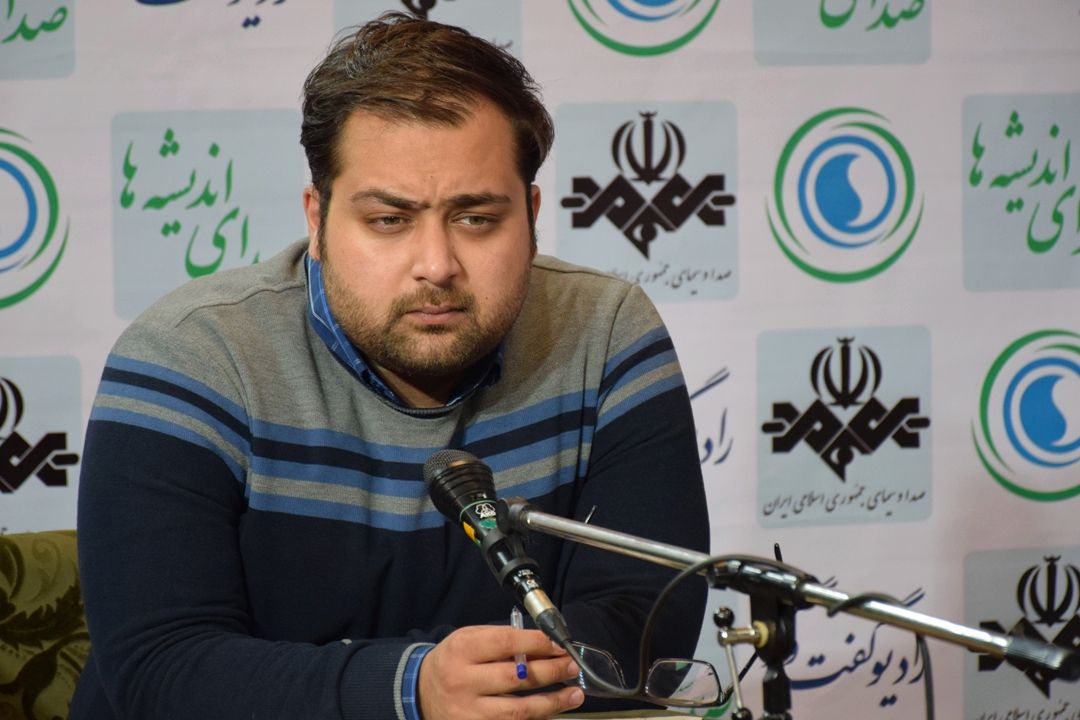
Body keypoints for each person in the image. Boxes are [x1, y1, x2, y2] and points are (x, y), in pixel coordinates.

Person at [73, 12, 709, 720]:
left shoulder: (607, 332)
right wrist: (412, 688)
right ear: (317, 219)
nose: (436, 265)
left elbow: (648, 628)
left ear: (531, 216)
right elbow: (163, 669)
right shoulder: (191, 355)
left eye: (476, 218)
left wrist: (473, 684)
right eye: (389, 220)